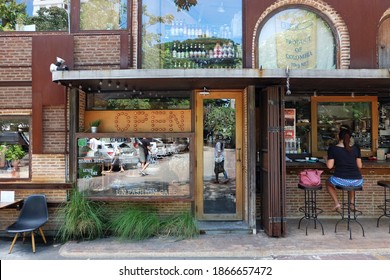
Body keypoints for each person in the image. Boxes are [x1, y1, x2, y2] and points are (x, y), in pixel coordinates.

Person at [325, 127, 363, 211]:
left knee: (328, 182)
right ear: (350, 138)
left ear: (338, 137)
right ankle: (352, 204)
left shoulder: (333, 149)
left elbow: (329, 166)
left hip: (340, 179)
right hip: (357, 180)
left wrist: (326, 159)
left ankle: (337, 204)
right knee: (351, 183)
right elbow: (359, 166)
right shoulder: (356, 148)